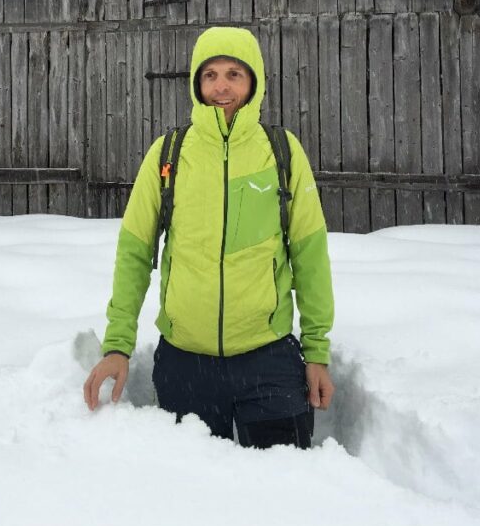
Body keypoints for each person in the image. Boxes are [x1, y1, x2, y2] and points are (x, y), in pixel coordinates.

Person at [83, 26, 334, 448]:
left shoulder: (282, 152)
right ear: (196, 84)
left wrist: (317, 352)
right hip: (186, 363)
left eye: (234, 74)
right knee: (191, 501)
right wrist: (117, 346)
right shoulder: (169, 153)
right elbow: (135, 253)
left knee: (285, 492)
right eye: (210, 74)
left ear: (254, 82)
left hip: (268, 360)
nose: (221, 86)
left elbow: (310, 255)